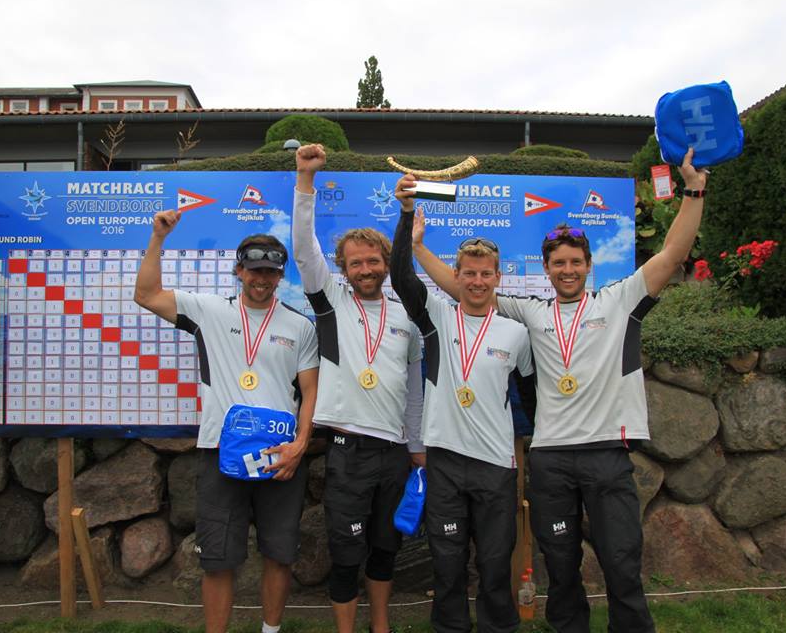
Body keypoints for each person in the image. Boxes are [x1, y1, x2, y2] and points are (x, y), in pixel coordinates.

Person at [408, 147, 709, 632]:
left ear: (588, 265)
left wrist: (692, 190)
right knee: (562, 567)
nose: (567, 270)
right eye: (558, 264)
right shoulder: (530, 312)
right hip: (550, 460)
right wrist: (421, 250)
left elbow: (673, 253)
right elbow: (465, 287)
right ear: (546, 269)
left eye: (575, 262)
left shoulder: (622, 301)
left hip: (606, 454)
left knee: (621, 561)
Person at [134, 212, 319, 633]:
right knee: (218, 558)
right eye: (255, 270)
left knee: (280, 554)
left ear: (280, 274)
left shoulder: (300, 326)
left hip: (280, 458)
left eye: (271, 272)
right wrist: (158, 237)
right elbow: (146, 295)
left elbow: (310, 392)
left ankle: (270, 632)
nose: (263, 279)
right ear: (239, 270)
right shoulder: (208, 309)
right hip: (221, 454)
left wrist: (300, 445)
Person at [390, 175, 534, 633]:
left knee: (494, 566)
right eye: (468, 273)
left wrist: (528, 449)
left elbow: (528, 397)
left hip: (495, 465)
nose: (476, 280)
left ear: (498, 277)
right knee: (448, 564)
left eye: (485, 273)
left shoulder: (516, 333)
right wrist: (407, 216)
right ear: (457, 276)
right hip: (446, 461)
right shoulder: (435, 317)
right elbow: (400, 277)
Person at [291, 143, 425, 633]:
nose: (365, 270)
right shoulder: (331, 302)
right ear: (343, 270)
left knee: (386, 548)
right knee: (346, 553)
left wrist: (416, 447)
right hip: (346, 450)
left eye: (373, 261)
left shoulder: (408, 315)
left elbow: (414, 388)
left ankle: (381, 625)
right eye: (355, 264)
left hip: (394, 453)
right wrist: (305, 182)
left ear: (385, 263)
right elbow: (304, 249)